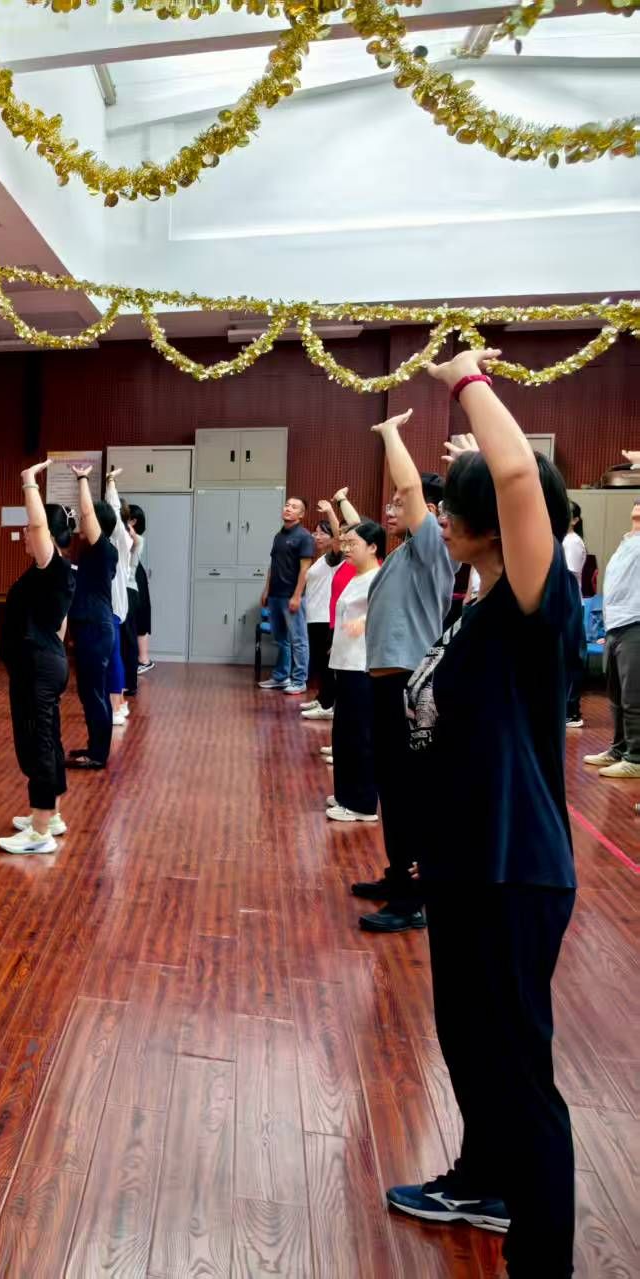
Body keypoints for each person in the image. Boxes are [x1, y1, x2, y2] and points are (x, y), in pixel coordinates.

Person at [383, 352, 578, 1278]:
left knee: (519, 1072)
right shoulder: (478, 603)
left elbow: (516, 477)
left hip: (514, 869)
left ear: (498, 525)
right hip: (467, 868)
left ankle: (542, 1259)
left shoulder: (534, 606)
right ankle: (484, 1179)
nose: (441, 515)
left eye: (457, 506)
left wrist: (468, 379)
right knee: (468, 1042)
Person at [354, 409, 454, 934]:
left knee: (407, 794)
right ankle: (399, 877)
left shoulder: (431, 549)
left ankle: (412, 900)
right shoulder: (402, 556)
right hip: (386, 685)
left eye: (397, 504)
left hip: (407, 686)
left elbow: (412, 486)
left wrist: (390, 432)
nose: (391, 509)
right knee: (392, 789)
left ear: (431, 514)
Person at [0, 460, 76, 856]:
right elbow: (59, 626)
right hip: (42, 664)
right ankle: (51, 815)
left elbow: (40, 526)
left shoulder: (53, 567)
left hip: (38, 668)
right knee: (46, 738)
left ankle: (40, 831)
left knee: (38, 743)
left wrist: (29, 482)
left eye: (31, 528)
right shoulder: (51, 575)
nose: (26, 533)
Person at [326, 521, 384, 822]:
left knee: (359, 735)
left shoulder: (377, 578)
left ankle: (362, 803)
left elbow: (383, 613)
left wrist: (364, 622)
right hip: (345, 663)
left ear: (372, 547)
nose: (346, 548)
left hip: (361, 666)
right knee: (343, 734)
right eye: (345, 543)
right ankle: (345, 794)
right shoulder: (356, 576)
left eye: (353, 544)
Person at [65, 465, 118, 770]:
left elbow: (87, 512)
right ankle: (94, 747)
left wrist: (82, 479)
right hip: (91, 628)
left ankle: (97, 755)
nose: (82, 522)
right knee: (89, 693)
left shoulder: (102, 550)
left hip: (96, 629)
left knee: (95, 693)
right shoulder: (92, 552)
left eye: (88, 520)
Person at [583, 495, 640, 779]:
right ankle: (619, 749)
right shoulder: (626, 542)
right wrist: (608, 627)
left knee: (633, 697)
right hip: (616, 625)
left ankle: (636, 757)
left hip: (636, 623)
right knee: (616, 696)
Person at [258, 497, 315, 694]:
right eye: (287, 505)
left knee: (299, 640)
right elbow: (272, 566)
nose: (288, 508)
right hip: (275, 595)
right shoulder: (278, 536)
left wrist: (297, 596)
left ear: (301, 514)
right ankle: (281, 677)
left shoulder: (304, 537)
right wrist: (266, 590)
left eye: (294, 507)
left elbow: (305, 570)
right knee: (281, 639)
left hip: (292, 596)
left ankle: (299, 680)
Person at [299, 508, 345, 721]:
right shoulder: (321, 559)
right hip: (314, 616)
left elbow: (339, 537)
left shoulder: (334, 557)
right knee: (318, 663)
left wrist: (330, 512)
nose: (316, 536)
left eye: (321, 533)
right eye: (315, 532)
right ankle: (322, 698)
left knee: (325, 665)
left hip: (325, 618)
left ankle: (328, 705)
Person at [106, 470, 137, 720]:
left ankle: (116, 707)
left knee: (114, 655)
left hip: (114, 605)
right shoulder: (120, 538)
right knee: (114, 654)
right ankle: (120, 703)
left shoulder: (119, 538)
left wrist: (110, 483)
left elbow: (113, 511)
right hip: (115, 604)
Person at [561, 502, 587, 728]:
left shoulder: (573, 542)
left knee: (571, 657)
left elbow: (567, 575)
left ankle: (572, 711)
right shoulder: (562, 540)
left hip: (569, 604)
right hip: (563, 604)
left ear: (575, 520)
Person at [126, 504, 153, 674]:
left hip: (137, 577)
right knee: (137, 615)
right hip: (135, 576)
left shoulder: (135, 538)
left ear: (133, 521)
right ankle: (142, 658)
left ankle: (144, 659)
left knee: (140, 614)